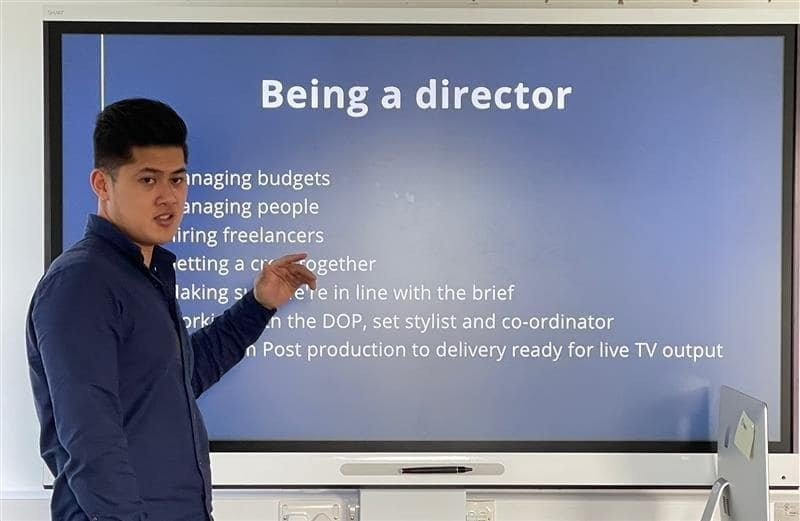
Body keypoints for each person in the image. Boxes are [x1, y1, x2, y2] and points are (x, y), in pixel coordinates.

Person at [26, 98, 316, 521]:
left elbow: (180, 379)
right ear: (102, 184)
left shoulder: (147, 275)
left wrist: (258, 305)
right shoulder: (82, 283)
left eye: (177, 180)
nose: (168, 197)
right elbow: (91, 441)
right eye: (148, 180)